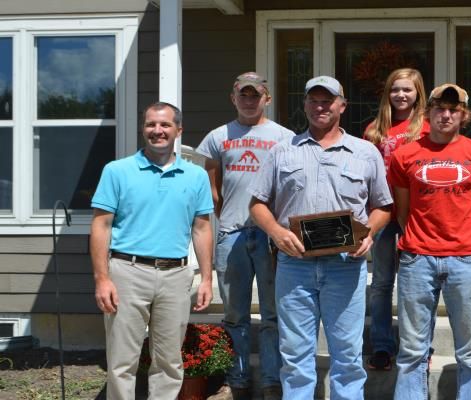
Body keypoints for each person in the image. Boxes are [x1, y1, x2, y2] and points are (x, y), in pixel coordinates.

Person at [248, 75, 392, 399]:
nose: (320, 106)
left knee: (348, 357)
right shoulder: (281, 152)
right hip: (294, 266)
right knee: (296, 358)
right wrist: (275, 232)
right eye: (313, 99)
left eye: (327, 100)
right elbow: (257, 204)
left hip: (345, 266)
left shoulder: (365, 153)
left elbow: (383, 206)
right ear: (304, 105)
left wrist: (368, 232)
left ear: (342, 105)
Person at [388, 83, 471, 399]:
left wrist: (463, 238)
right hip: (417, 259)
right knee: (412, 350)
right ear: (428, 113)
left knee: (470, 350)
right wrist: (423, 237)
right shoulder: (404, 156)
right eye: (440, 108)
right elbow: (402, 210)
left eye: (454, 109)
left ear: (464, 115)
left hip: (465, 261)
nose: (446, 114)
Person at [90, 102, 214, 399]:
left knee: (169, 361)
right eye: (150, 125)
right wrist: (102, 278)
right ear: (143, 128)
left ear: (178, 131)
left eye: (165, 125)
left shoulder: (195, 176)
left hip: (176, 275)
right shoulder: (117, 171)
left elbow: (202, 228)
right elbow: (101, 226)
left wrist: (207, 278)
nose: (157, 131)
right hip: (127, 272)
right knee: (122, 361)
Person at [197, 72, 293, 400]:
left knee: (272, 313)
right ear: (233, 97)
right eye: (244, 95)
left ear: (267, 98)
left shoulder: (285, 137)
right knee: (235, 314)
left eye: (256, 95)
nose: (250, 101)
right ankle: (235, 382)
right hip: (232, 233)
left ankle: (270, 381)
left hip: (269, 237)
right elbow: (213, 187)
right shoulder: (217, 136)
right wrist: (227, 218)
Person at [363, 68, 430, 370]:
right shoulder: (373, 131)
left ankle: (417, 346)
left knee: (416, 284)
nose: (401, 95)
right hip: (383, 212)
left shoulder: (427, 129)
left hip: (418, 214)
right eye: (395, 89)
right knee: (381, 282)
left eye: (408, 90)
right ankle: (381, 345)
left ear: (418, 94)